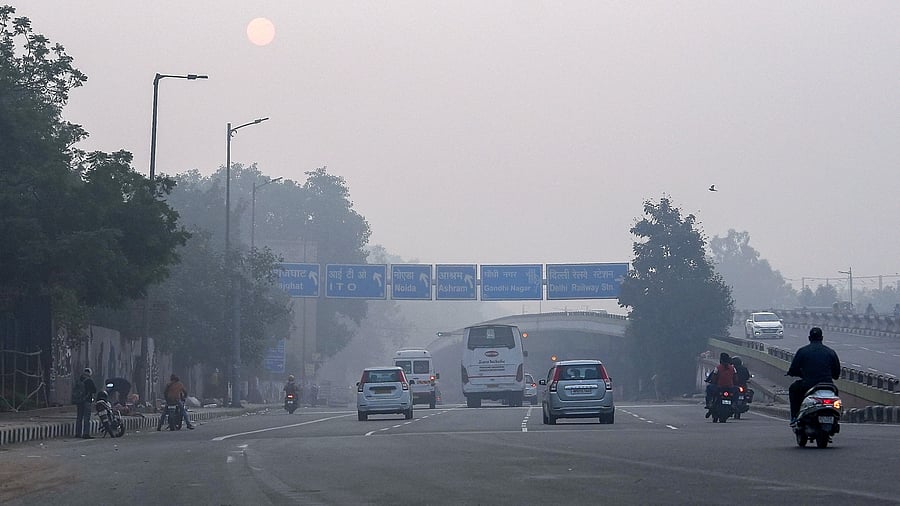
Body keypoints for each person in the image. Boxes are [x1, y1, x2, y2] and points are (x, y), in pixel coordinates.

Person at [786, 327, 841, 426]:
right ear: (822, 338)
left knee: (793, 389)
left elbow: (793, 369)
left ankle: (794, 417)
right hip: (828, 385)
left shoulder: (802, 351)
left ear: (809, 338)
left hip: (808, 385)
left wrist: (795, 373)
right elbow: (836, 374)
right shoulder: (830, 352)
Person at [73, 367, 97, 439]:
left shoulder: (79, 380)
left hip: (79, 401)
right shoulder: (89, 380)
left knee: (79, 417)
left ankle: (78, 433)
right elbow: (94, 390)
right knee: (86, 418)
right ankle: (86, 434)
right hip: (87, 401)